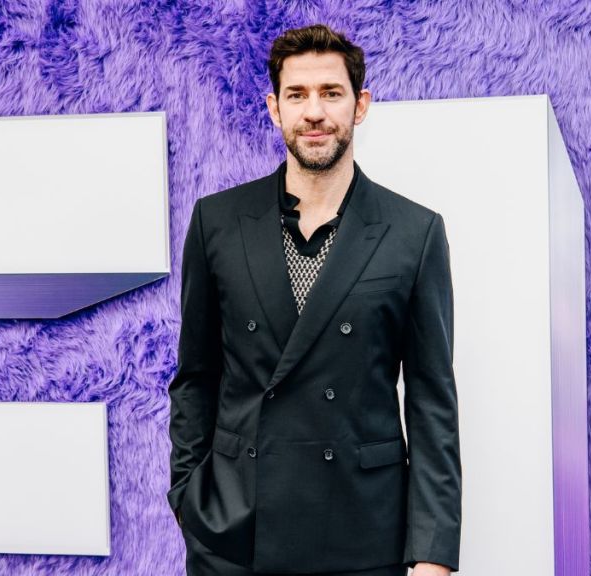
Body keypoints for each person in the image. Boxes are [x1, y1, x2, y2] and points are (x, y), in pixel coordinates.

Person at [167, 23, 461, 576]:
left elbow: (431, 403)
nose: (315, 112)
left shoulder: (413, 233)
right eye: (297, 95)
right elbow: (195, 377)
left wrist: (431, 553)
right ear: (275, 109)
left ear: (361, 105)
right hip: (235, 536)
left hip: (362, 533)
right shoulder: (218, 222)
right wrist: (188, 497)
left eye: (331, 93)